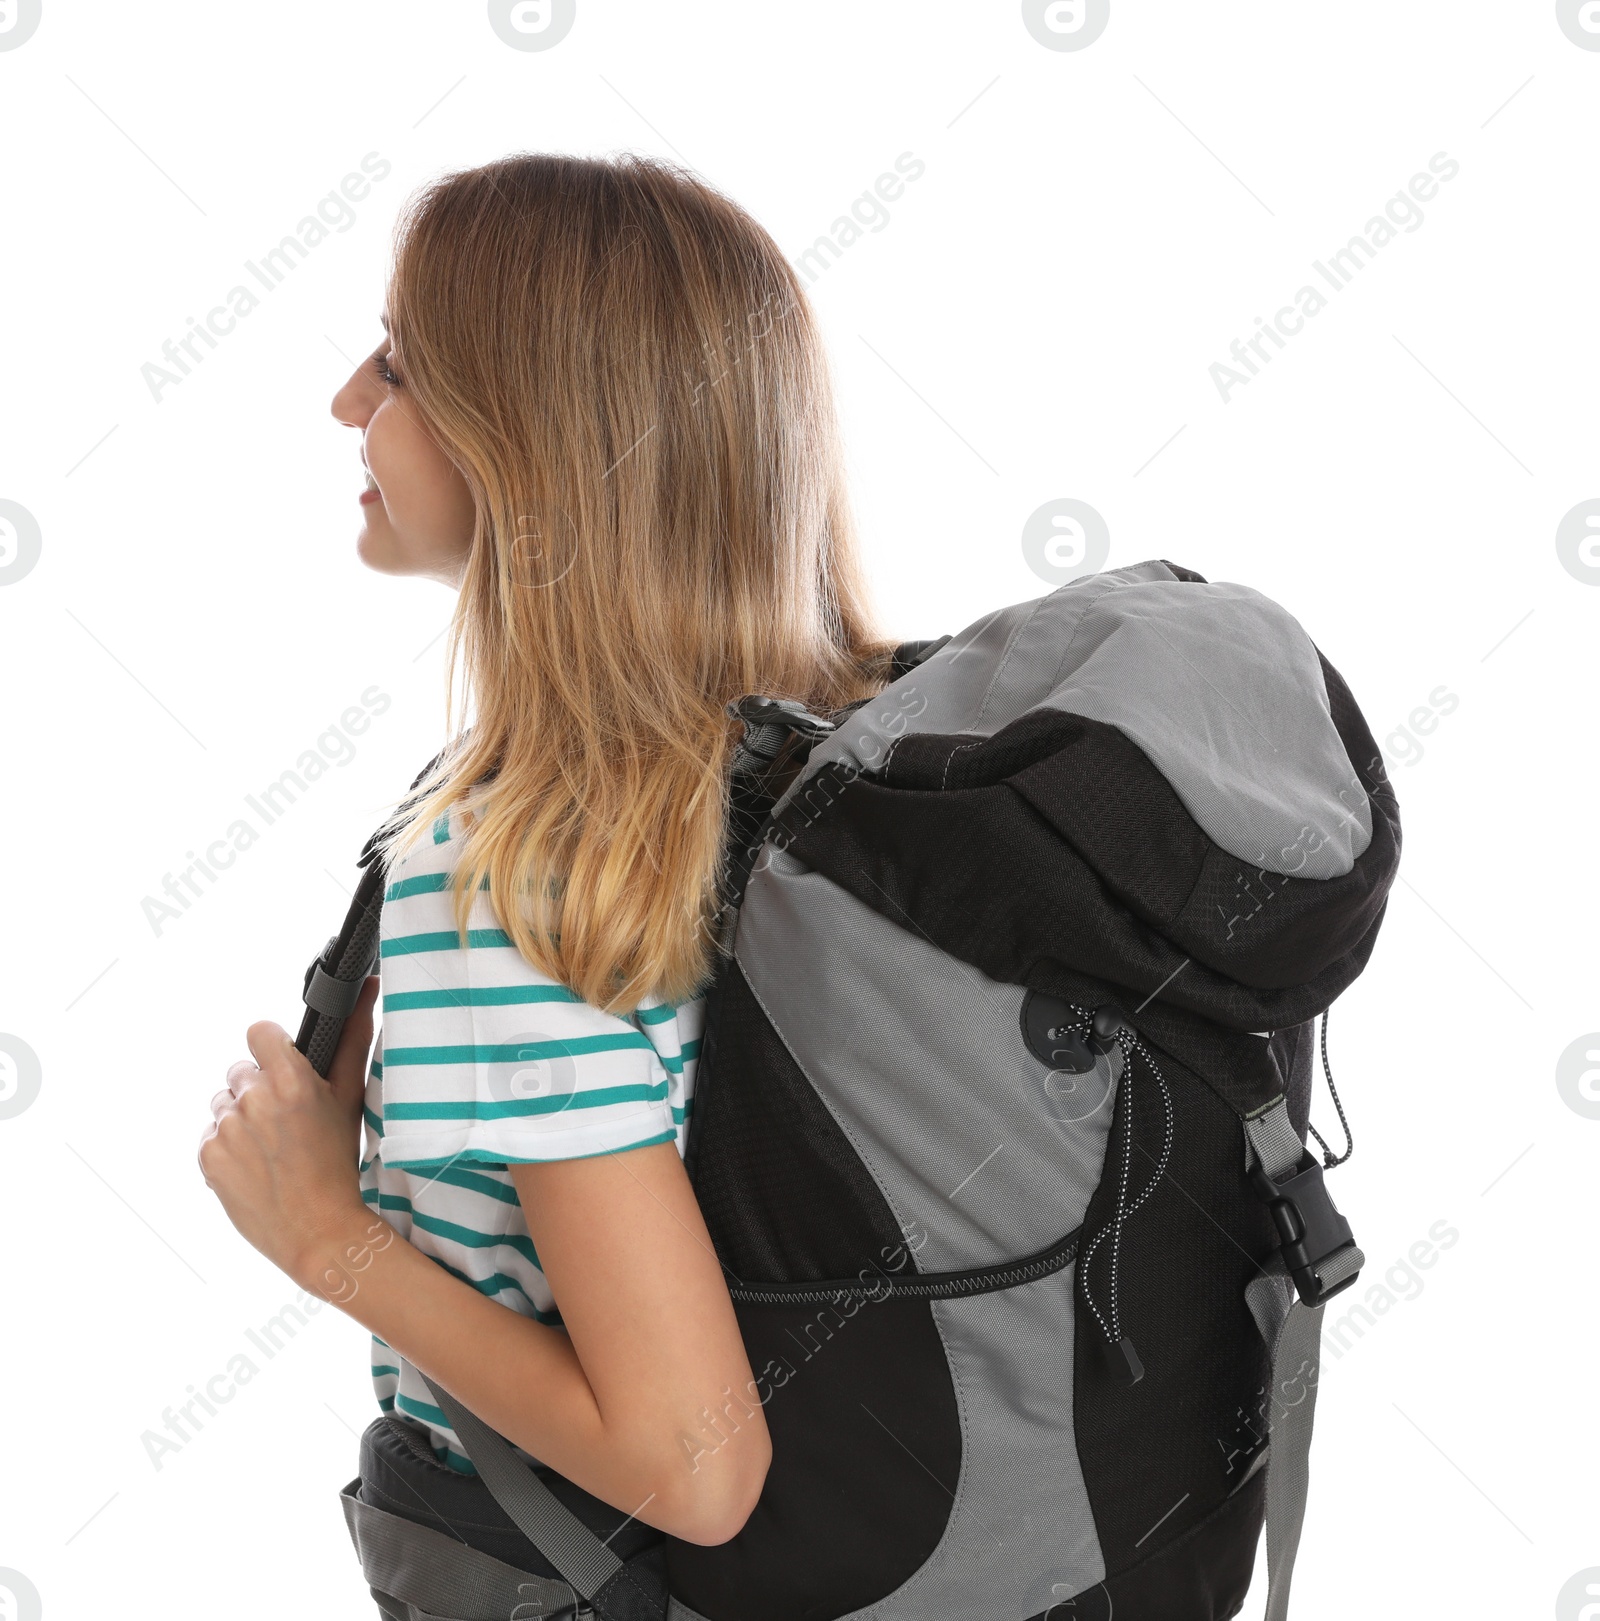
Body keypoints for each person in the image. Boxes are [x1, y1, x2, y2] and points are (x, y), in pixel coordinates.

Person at [195, 151, 902, 1588]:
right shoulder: (796, 760)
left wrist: (325, 1233)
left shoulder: (517, 869)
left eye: (401, 365)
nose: (350, 401)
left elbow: (692, 1463)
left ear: (538, 441)